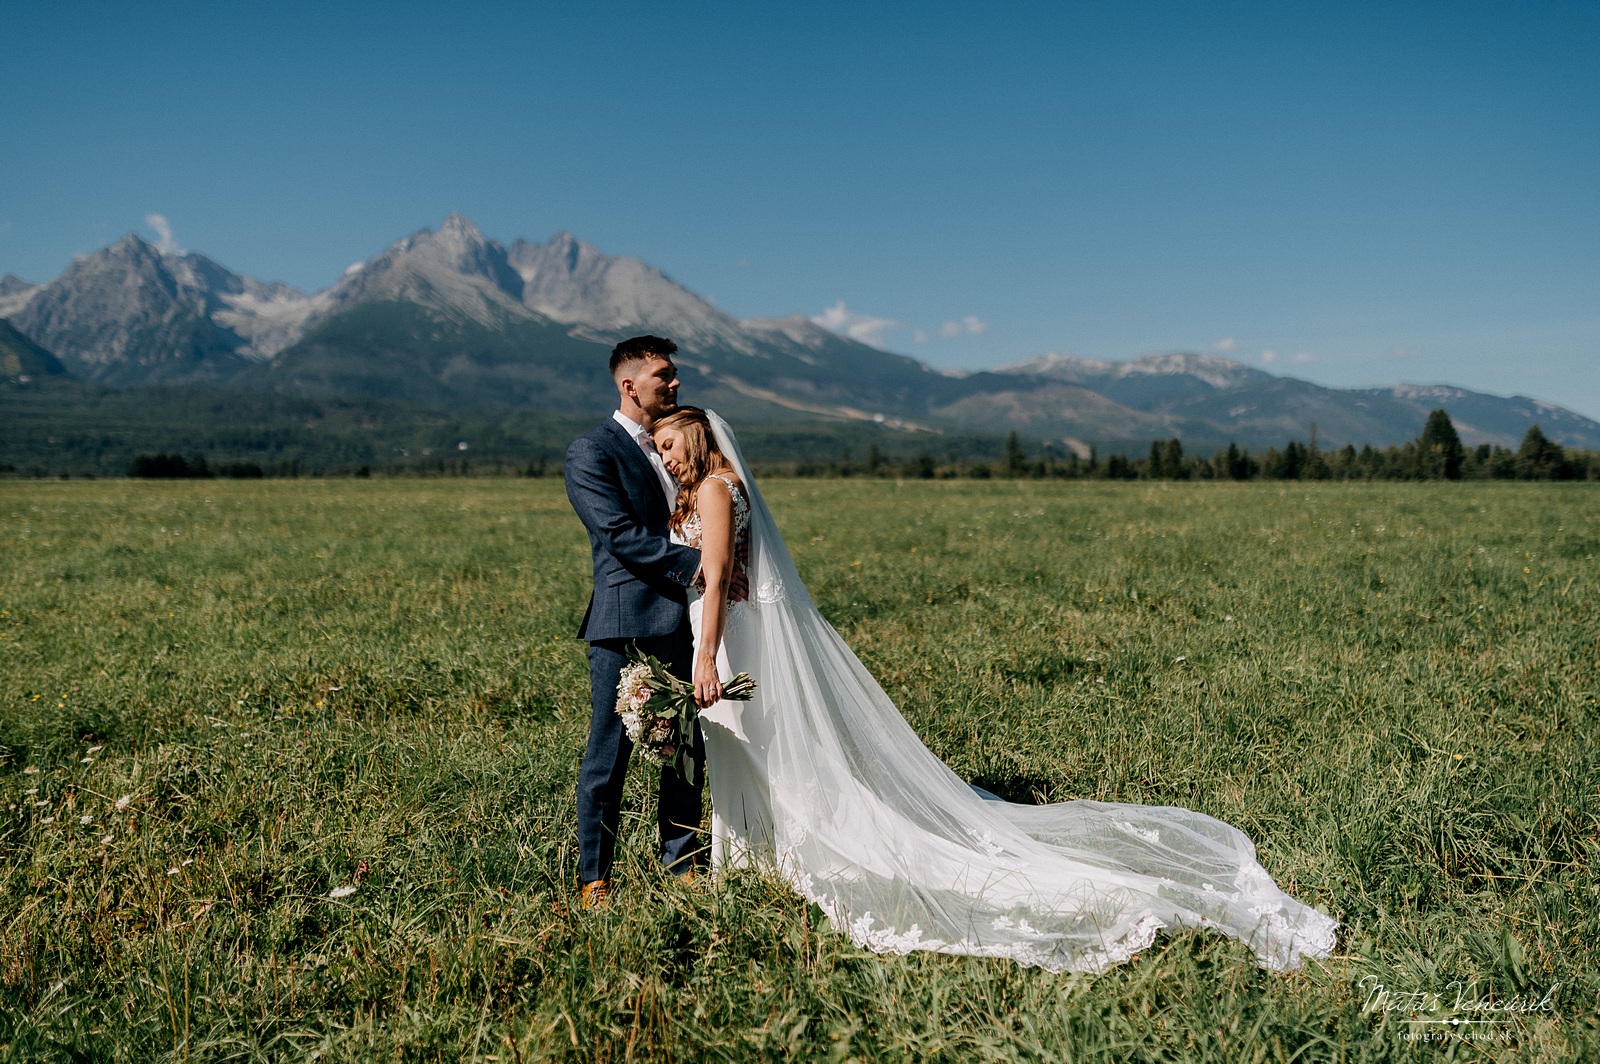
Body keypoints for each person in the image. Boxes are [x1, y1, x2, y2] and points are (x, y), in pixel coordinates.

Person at [653, 406, 1339, 973]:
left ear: (696, 436)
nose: (665, 457)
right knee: (755, 754)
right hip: (732, 632)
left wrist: (705, 656)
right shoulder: (707, 489)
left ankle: (790, 857)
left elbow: (714, 574)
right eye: (656, 448)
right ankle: (754, 860)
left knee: (770, 752)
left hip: (734, 640)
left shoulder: (715, 489)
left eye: (669, 444)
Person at [564, 336, 703, 907]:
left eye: (674, 375)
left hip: (689, 620)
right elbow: (619, 537)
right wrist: (704, 568)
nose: (675, 384)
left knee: (688, 746)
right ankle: (595, 878)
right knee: (609, 753)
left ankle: (684, 861)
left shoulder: (685, 442)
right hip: (625, 623)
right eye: (663, 376)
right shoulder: (590, 452)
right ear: (629, 385)